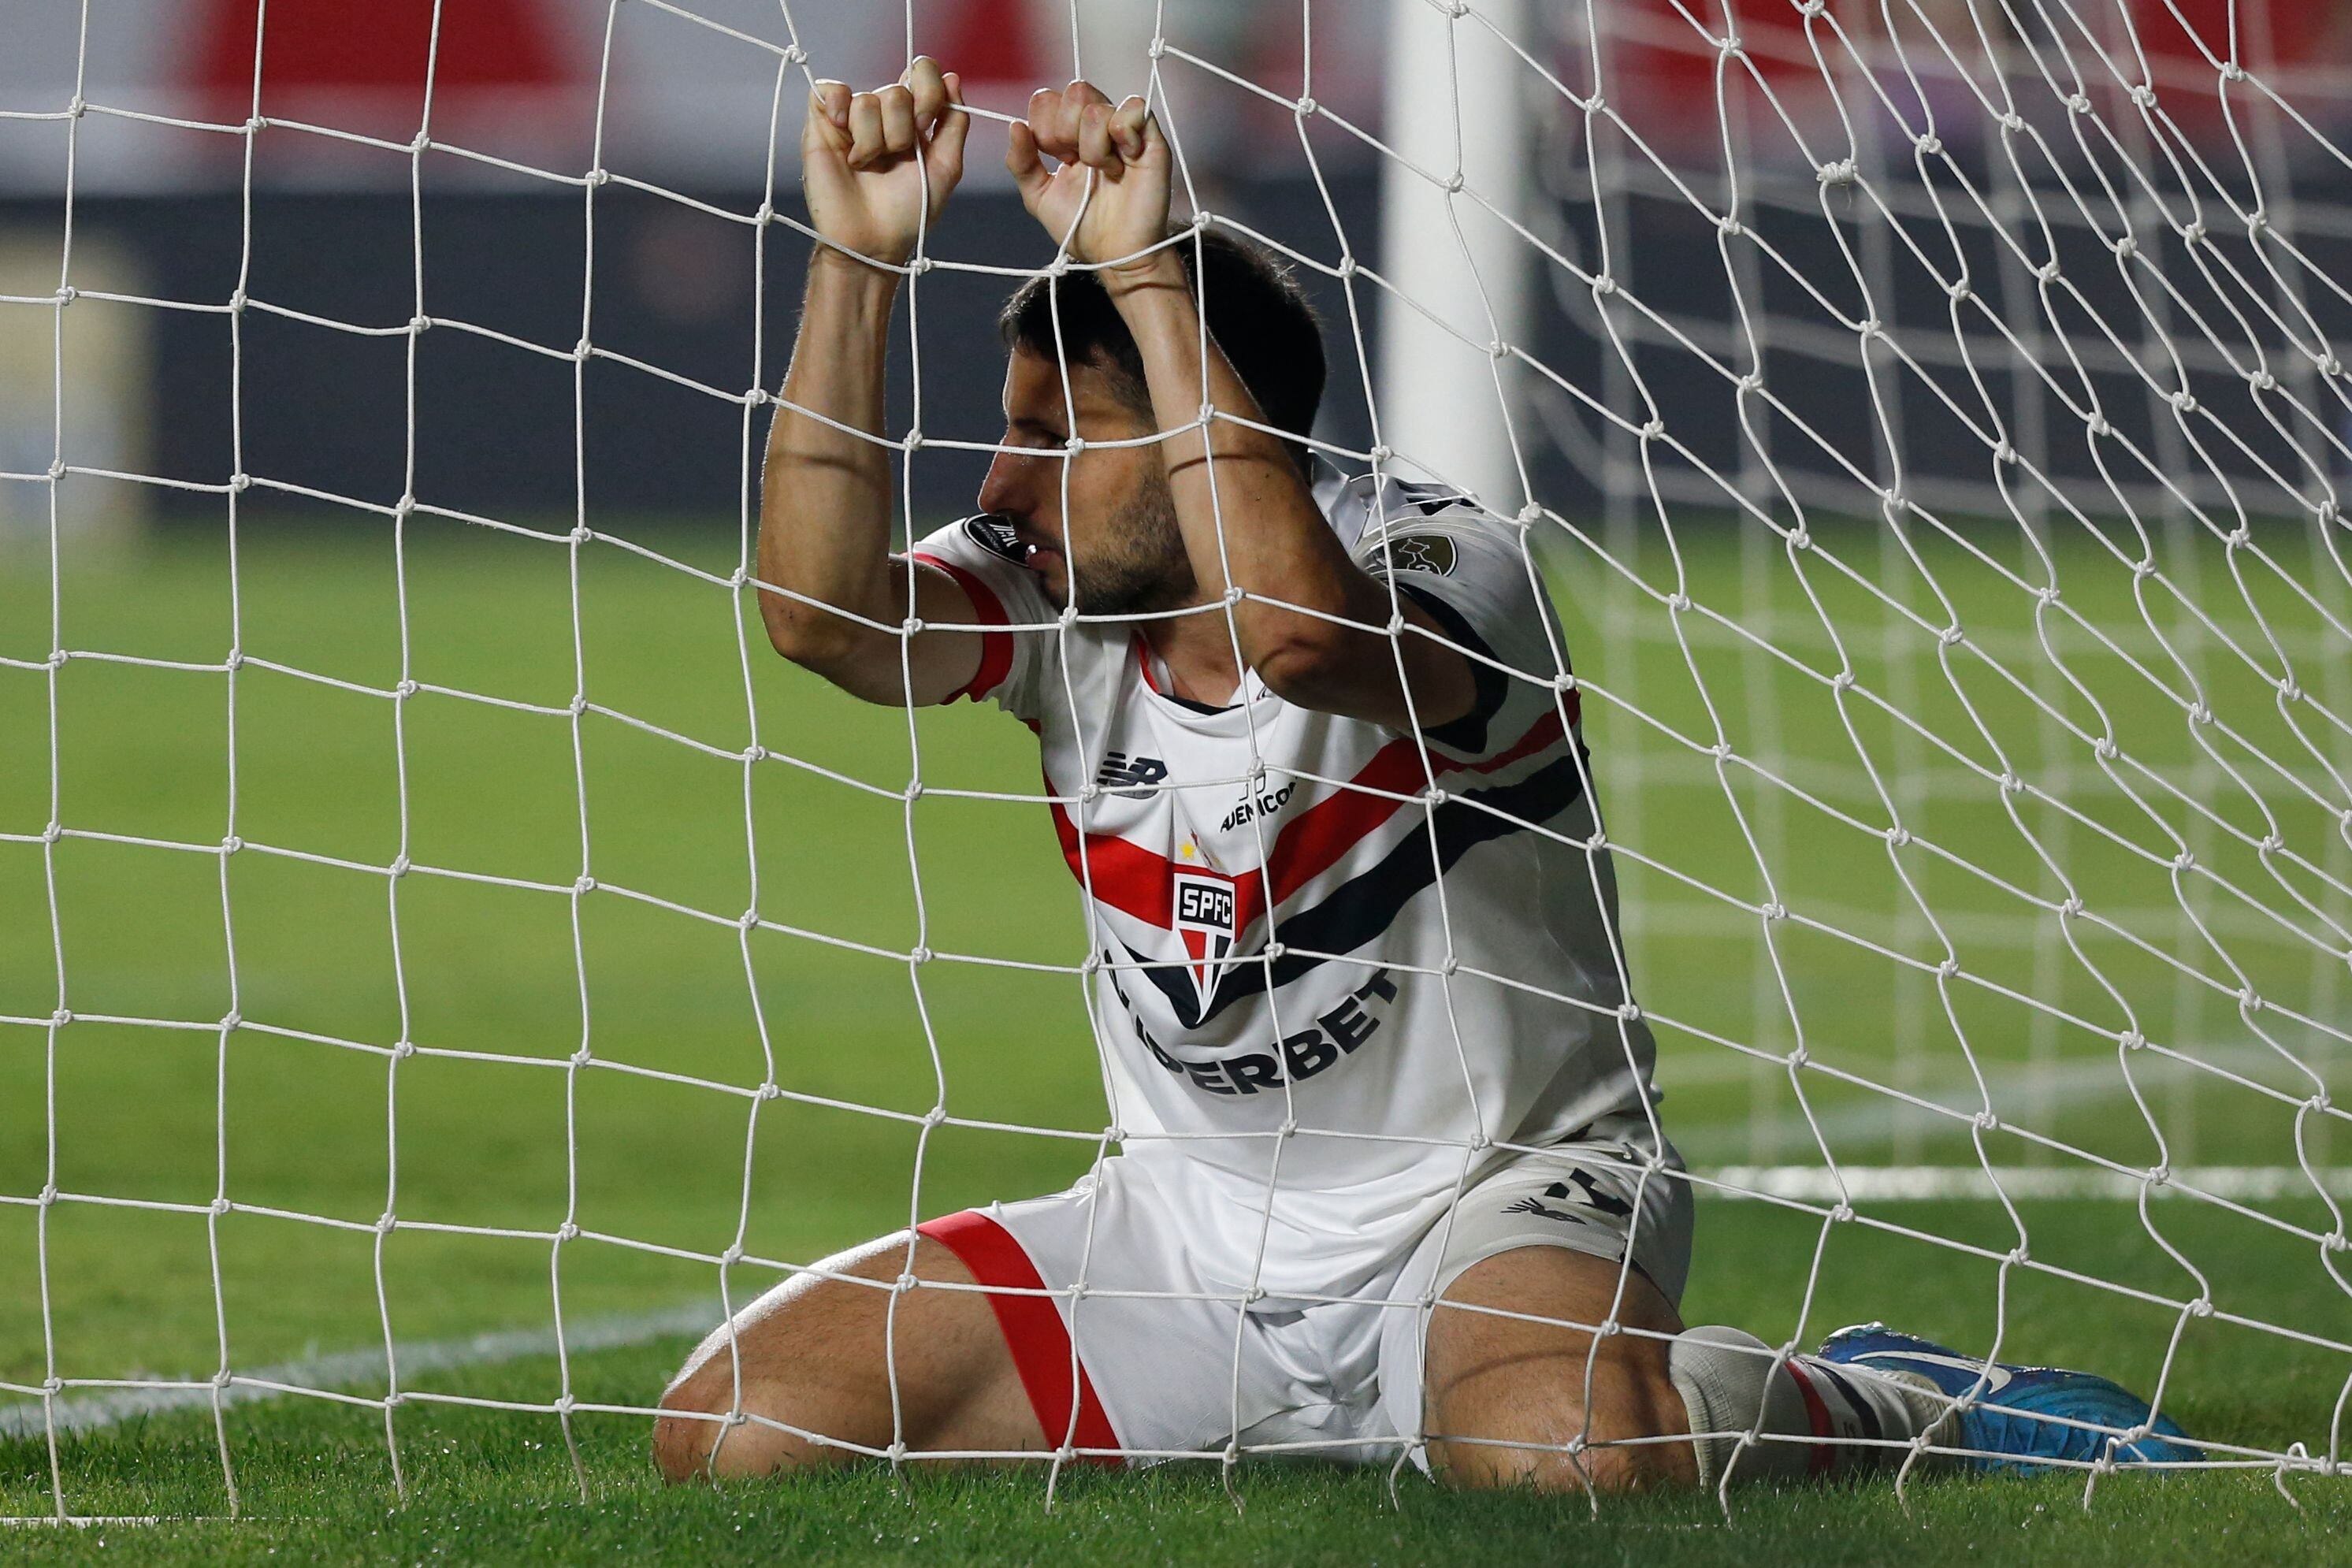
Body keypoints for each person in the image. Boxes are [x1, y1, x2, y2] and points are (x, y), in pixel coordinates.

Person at [652, 58, 2197, 1492]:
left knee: (1560, 1452)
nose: (997, 486)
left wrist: (1148, 265)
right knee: (736, 1426)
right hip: (1181, 1241)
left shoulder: (1444, 562)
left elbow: (1306, 645)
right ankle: (1298, 1393)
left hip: (1497, 1201)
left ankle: (1883, 1392)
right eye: (1008, 432)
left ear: (1212, 426)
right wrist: (854, 255)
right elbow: (822, 618)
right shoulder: (1056, 590)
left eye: (1058, 439)